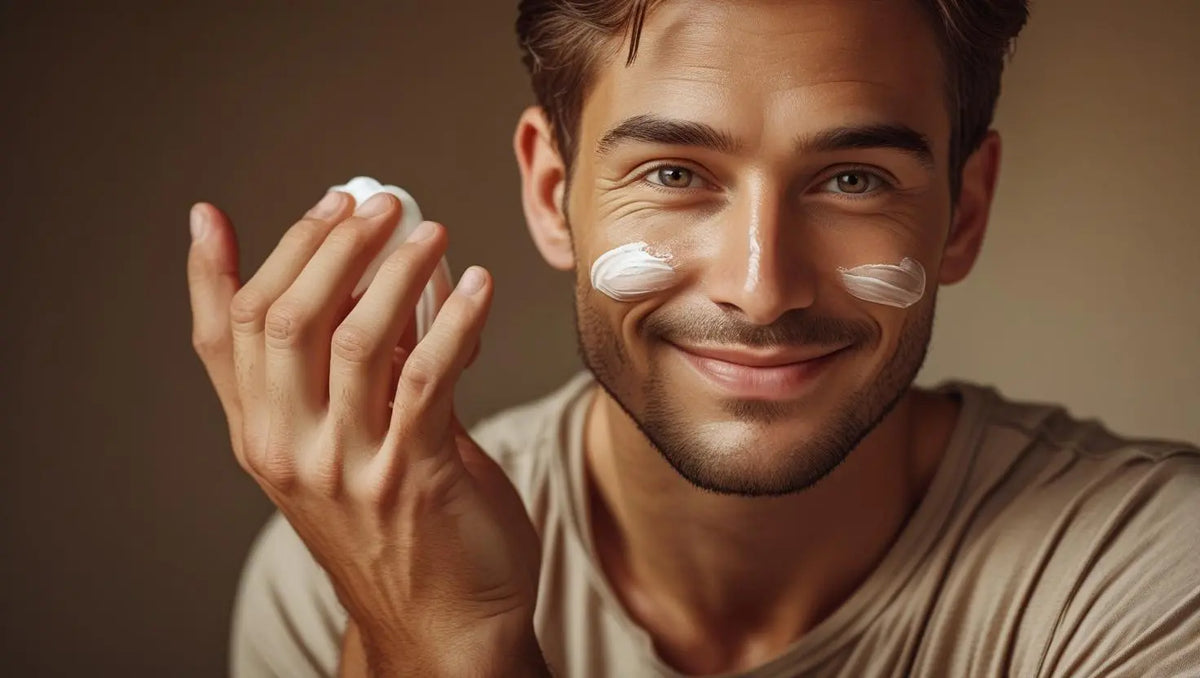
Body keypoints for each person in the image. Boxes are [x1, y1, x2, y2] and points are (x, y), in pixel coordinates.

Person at [185, 1, 1200, 676]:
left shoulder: (1153, 574)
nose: (761, 290)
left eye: (853, 180)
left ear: (964, 214)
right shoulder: (342, 573)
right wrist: (421, 627)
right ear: (553, 194)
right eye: (674, 173)